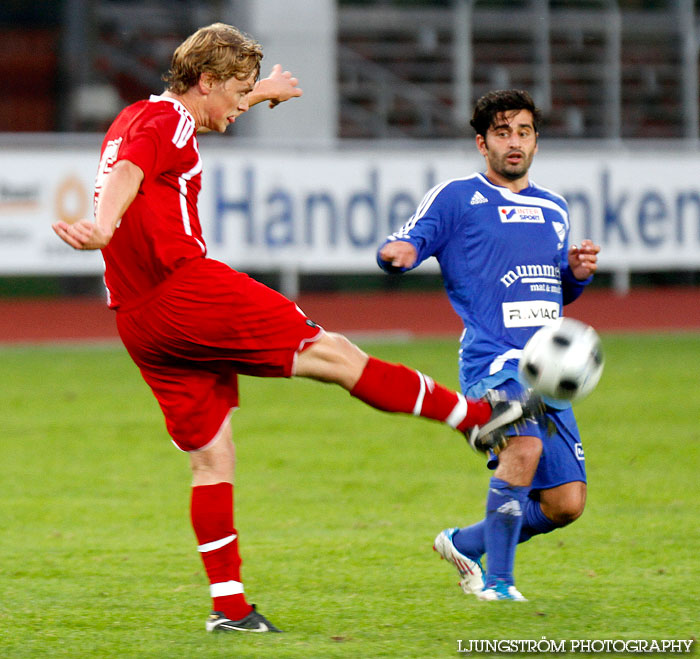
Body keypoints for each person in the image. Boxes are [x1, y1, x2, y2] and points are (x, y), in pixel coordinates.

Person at [52, 25, 535, 633]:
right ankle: (473, 418)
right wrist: (101, 224)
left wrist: (263, 92)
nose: (240, 105)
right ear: (206, 83)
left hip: (138, 319)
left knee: (211, 455)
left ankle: (229, 610)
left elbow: (157, 141)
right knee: (330, 353)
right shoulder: (168, 123)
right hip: (186, 290)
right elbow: (130, 170)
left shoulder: (139, 114)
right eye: (239, 91)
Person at [377, 89, 600, 601]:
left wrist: (576, 275)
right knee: (523, 445)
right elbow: (411, 240)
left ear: (536, 140)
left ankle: (463, 543)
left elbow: (551, 291)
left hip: (545, 370)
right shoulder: (457, 197)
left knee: (566, 502)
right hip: (492, 362)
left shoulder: (554, 207)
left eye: (523, 131)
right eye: (502, 132)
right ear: (483, 143)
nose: (514, 142)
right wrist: (400, 252)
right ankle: (498, 585)